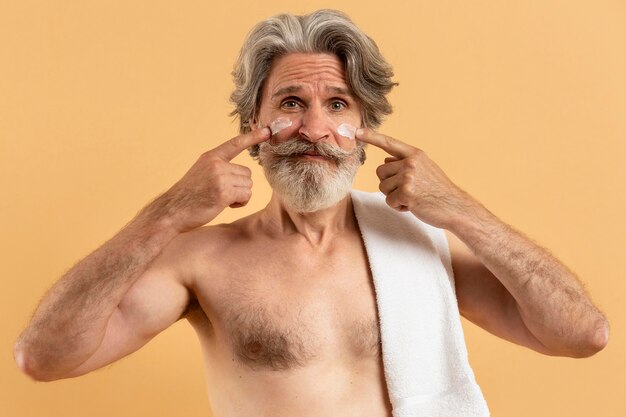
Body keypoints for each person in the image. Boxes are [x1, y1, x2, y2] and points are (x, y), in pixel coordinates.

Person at [14, 9, 609, 417]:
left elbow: (582, 335)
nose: (315, 129)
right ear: (255, 123)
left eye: (338, 105)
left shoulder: (419, 244)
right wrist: (167, 213)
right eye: (291, 103)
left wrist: (458, 210)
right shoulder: (201, 262)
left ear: (365, 127)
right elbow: (44, 358)